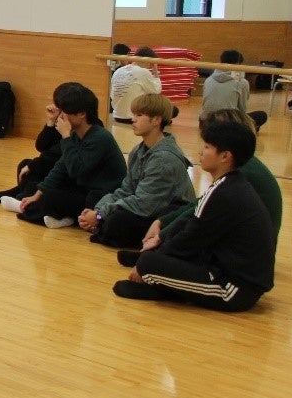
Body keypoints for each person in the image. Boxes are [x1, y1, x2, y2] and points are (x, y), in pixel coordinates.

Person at [112, 118, 275, 312]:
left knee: (149, 263)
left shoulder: (225, 193)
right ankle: (160, 275)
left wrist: (144, 266)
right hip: (226, 268)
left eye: (207, 147)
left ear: (225, 156)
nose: (201, 151)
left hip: (233, 288)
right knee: (165, 245)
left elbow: (189, 241)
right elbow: (191, 224)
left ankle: (163, 286)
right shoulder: (230, 184)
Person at [116, 108, 282, 266]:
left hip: (245, 250)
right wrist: (162, 222)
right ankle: (155, 255)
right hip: (244, 239)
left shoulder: (240, 171)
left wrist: (162, 234)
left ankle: (155, 257)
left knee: (188, 230)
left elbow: (201, 213)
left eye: (209, 143)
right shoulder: (241, 164)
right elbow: (201, 203)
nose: (202, 148)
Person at [78, 93, 194, 248]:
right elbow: (126, 190)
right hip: (147, 205)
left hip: (167, 213)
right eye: (134, 114)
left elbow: (145, 204)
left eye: (139, 115)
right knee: (96, 198)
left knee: (117, 222)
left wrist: (99, 215)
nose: (133, 119)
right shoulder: (137, 151)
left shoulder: (163, 159)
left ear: (156, 120)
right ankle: (99, 224)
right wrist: (99, 211)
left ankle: (100, 225)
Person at [15, 83, 126, 228]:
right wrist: (36, 195)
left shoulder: (99, 137)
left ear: (82, 114)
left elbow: (76, 169)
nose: (60, 116)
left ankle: (52, 214)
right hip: (82, 187)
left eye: (65, 112)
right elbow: (61, 167)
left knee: (51, 198)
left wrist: (66, 137)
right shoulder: (76, 133)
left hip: (101, 195)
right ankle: (54, 214)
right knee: (42, 188)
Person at [0, 102, 69, 207]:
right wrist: (51, 121)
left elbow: (57, 154)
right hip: (57, 163)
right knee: (26, 164)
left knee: (36, 168)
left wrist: (33, 165)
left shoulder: (77, 129)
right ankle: (21, 193)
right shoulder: (65, 124)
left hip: (70, 172)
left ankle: (23, 198)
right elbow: (41, 146)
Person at [202, 49, 268, 130]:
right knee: (261, 115)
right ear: (237, 64)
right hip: (228, 123)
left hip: (205, 122)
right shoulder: (242, 82)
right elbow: (242, 109)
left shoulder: (208, 80)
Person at [110, 46, 162, 123]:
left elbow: (111, 93)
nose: (149, 66)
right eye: (150, 63)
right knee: (169, 110)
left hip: (117, 116)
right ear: (146, 60)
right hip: (134, 117)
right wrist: (155, 72)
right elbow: (157, 91)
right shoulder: (143, 72)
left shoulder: (118, 71)